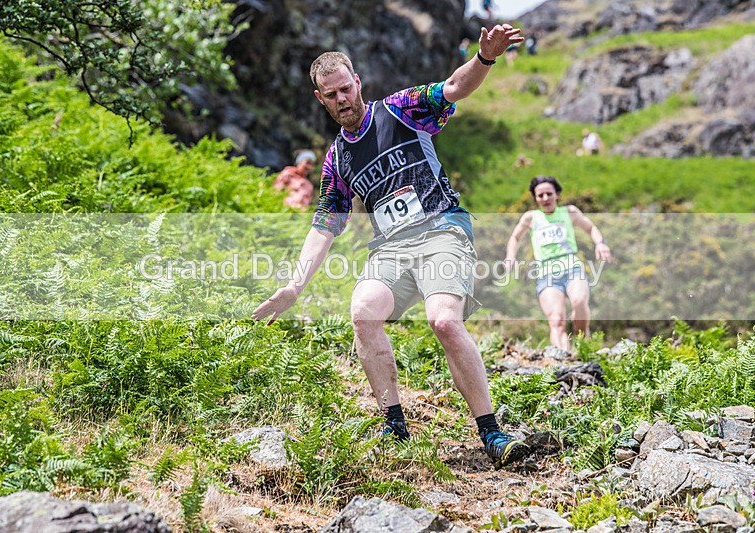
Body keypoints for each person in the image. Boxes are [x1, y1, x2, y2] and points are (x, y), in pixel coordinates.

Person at [252, 24, 529, 468]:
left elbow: (455, 87)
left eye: (346, 88)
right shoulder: (336, 160)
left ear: (357, 82)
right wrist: (295, 286)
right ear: (320, 99)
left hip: (441, 229)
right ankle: (393, 423)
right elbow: (325, 225)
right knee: (362, 311)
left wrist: (485, 59)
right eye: (332, 94)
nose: (342, 99)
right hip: (391, 248)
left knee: (443, 321)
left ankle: (491, 431)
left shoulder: (400, 109)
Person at [504, 176, 611, 354]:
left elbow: (591, 228)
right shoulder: (531, 217)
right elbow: (515, 237)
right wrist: (510, 256)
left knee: (579, 301)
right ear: (535, 198)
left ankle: (583, 342)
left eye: (549, 194)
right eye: (540, 195)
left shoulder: (569, 212)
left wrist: (600, 243)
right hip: (547, 274)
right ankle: (562, 357)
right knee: (556, 319)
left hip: (572, 267)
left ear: (557, 194)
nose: (545, 198)